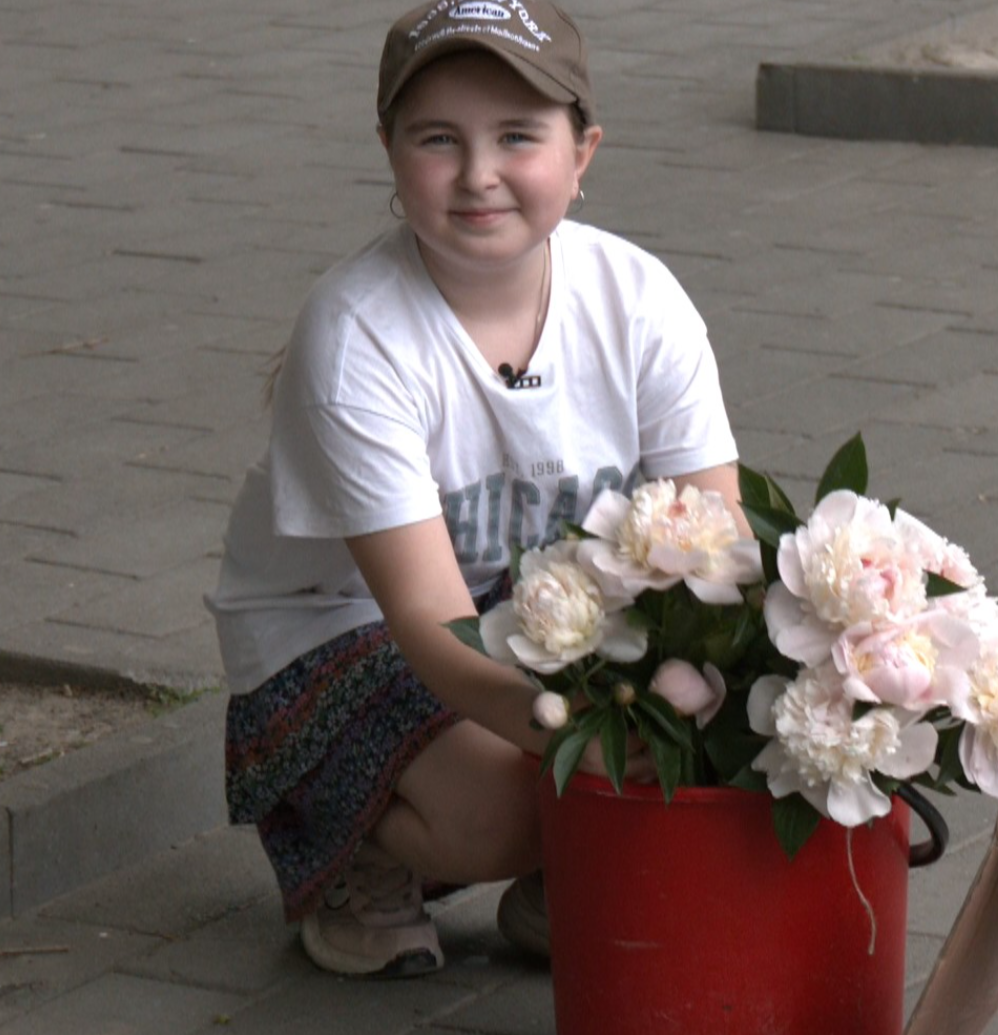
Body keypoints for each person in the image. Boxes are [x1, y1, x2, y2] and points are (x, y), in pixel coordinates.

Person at [205, 0, 742, 979]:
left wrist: (697, 702)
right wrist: (588, 735)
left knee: (713, 707)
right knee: (516, 802)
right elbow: (426, 621)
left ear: (583, 153)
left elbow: (716, 539)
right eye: (438, 138)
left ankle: (564, 875)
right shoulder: (358, 330)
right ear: (388, 148)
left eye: (518, 136)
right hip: (343, 625)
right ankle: (356, 856)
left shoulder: (639, 298)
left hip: (529, 611)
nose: (478, 173)